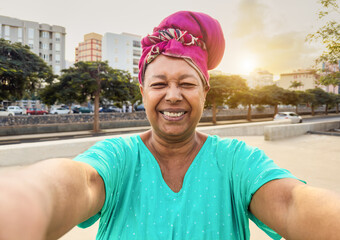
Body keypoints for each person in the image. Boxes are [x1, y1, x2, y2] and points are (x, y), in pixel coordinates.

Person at [1, 11, 340, 240]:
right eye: (159, 83)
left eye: (187, 84)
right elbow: (75, 183)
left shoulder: (236, 161)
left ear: (205, 92)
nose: (173, 95)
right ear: (143, 92)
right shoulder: (118, 157)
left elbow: (291, 202)